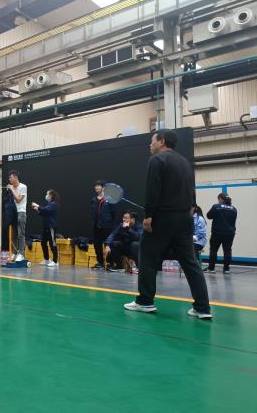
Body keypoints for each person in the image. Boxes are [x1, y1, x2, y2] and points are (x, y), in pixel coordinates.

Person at [124, 129, 212, 320]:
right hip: (185, 219)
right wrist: (190, 210)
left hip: (162, 219)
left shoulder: (157, 160)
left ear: (162, 141)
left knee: (147, 258)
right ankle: (202, 308)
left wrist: (148, 216)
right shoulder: (185, 162)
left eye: (152, 140)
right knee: (191, 263)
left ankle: (145, 302)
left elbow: (153, 190)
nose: (150, 144)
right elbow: (191, 190)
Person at [205, 193, 237, 274]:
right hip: (230, 233)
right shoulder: (234, 209)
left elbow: (209, 216)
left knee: (213, 250)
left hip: (217, 232)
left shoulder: (216, 206)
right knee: (227, 250)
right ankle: (226, 269)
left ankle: (211, 268)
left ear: (220, 199)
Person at [90, 180, 115, 269]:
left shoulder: (109, 199)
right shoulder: (93, 200)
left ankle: (110, 263)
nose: (96, 187)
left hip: (106, 226)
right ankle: (100, 262)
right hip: (96, 226)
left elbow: (113, 213)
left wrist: (108, 222)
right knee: (97, 244)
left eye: (98, 186)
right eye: (95, 186)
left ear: (103, 188)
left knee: (107, 244)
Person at [31, 189, 59, 267]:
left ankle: (55, 261)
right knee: (43, 243)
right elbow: (44, 213)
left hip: (51, 227)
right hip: (46, 227)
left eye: (47, 194)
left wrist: (37, 206)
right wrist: (37, 209)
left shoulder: (53, 204)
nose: (46, 196)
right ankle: (46, 259)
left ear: (51, 195)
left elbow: (46, 210)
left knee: (52, 244)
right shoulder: (49, 204)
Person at [8, 170, 27, 262]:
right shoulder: (11, 188)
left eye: (10, 177)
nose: (9, 179)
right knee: (13, 235)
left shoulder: (23, 187)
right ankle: (14, 253)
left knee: (20, 235)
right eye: (9, 177)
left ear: (15, 177)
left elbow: (19, 199)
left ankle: (22, 254)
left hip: (21, 212)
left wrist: (12, 189)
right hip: (13, 213)